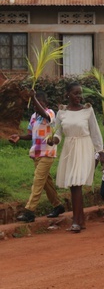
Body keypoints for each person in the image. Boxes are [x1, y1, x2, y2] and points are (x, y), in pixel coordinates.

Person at [52, 82, 104, 233]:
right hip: (69, 148)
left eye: (80, 93)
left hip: (84, 147)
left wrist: (100, 151)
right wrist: (53, 140)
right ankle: (80, 220)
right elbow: (57, 133)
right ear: (67, 94)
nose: (79, 97)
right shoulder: (62, 112)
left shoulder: (88, 110)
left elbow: (95, 132)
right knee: (74, 184)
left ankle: (75, 221)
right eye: (75, 93)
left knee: (76, 182)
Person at [10, 90, 64, 223]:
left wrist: (33, 97)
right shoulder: (34, 116)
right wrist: (19, 137)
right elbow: (31, 135)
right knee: (46, 183)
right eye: (34, 104)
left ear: (45, 103)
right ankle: (58, 205)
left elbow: (44, 114)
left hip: (48, 153)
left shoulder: (50, 113)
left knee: (38, 181)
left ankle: (30, 211)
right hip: (37, 154)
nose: (35, 106)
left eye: (38, 103)